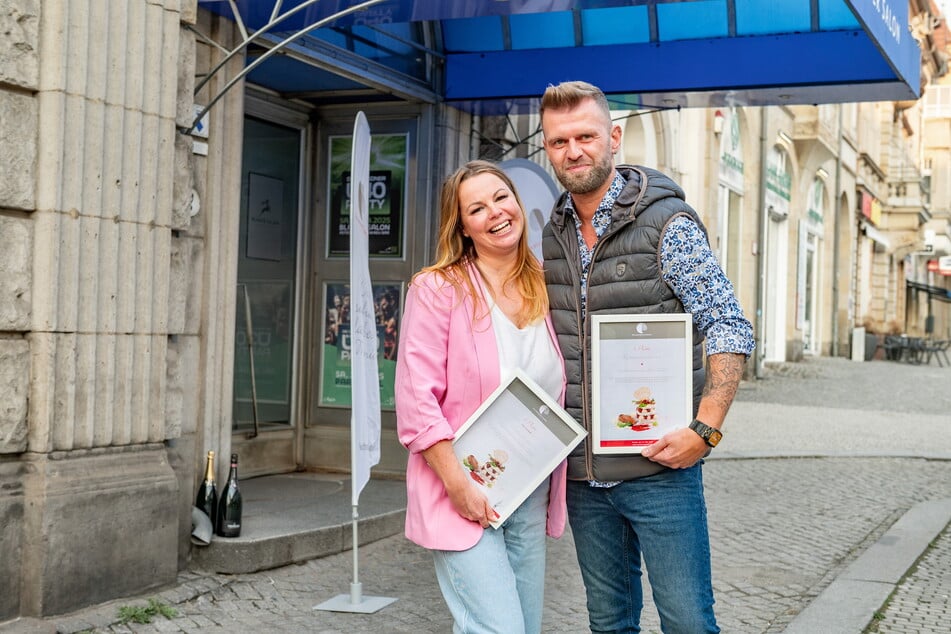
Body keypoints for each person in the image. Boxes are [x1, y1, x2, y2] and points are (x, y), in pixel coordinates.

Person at [538, 80, 755, 633]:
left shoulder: (667, 226)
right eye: (559, 141)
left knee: (687, 621)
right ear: (547, 148)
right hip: (584, 477)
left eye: (585, 136)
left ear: (613, 137)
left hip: (660, 469)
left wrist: (704, 431)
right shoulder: (550, 236)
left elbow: (728, 326)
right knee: (608, 623)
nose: (573, 151)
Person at [395, 160, 568, 634]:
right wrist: (458, 485)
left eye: (501, 197)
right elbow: (416, 403)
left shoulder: (547, 284)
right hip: (461, 491)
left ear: (517, 202)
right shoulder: (437, 289)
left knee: (523, 628)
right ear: (463, 227)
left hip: (528, 494)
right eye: (477, 207)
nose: (495, 212)